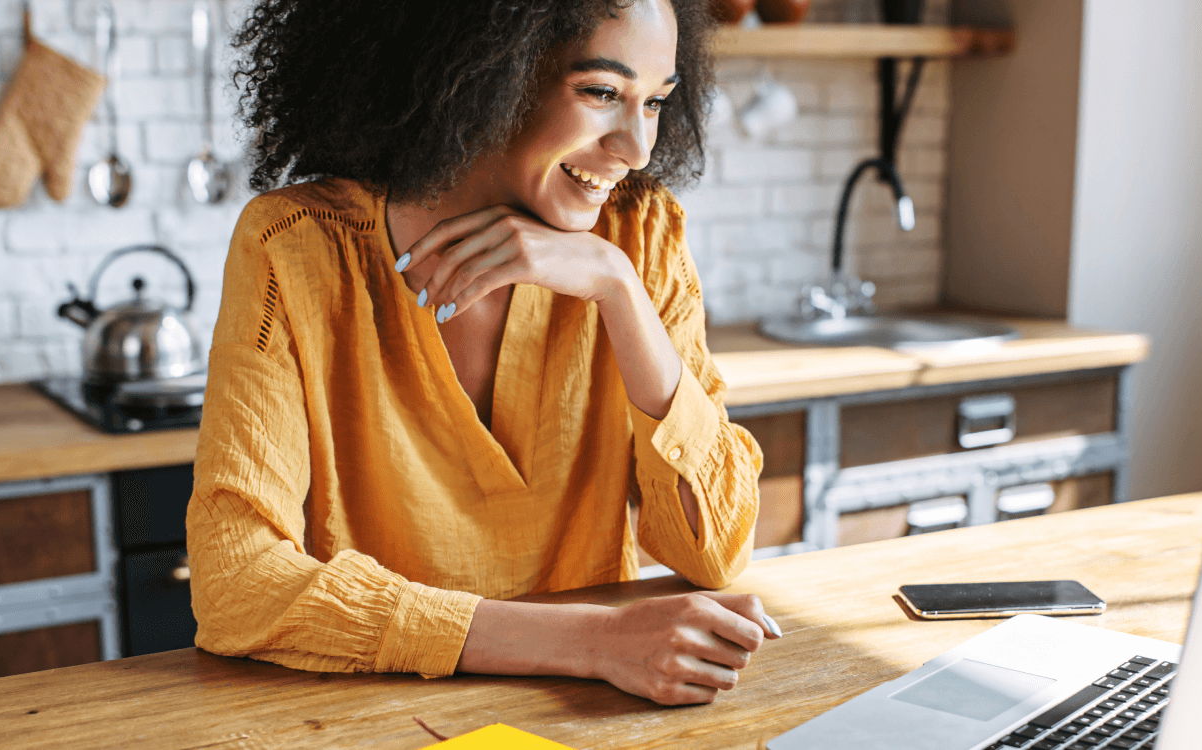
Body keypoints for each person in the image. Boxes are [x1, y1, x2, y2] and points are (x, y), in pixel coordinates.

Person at [186, 0, 777, 706]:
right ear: (482, 73)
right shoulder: (295, 248)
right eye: (600, 93)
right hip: (377, 718)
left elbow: (715, 550)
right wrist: (591, 643)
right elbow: (235, 584)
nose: (638, 148)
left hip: (596, 716)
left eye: (654, 103)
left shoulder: (640, 237)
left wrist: (619, 289)